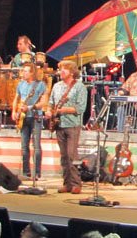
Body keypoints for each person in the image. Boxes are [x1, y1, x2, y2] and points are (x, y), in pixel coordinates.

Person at [49, 61, 87, 193]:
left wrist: (62, 110)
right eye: (60, 69)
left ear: (72, 72)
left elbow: (80, 108)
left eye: (64, 70)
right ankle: (67, 184)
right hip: (59, 124)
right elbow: (51, 102)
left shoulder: (80, 87)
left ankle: (76, 184)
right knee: (64, 156)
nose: (60, 72)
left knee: (72, 155)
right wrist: (49, 111)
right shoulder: (56, 86)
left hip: (73, 124)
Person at [11, 63, 48, 179]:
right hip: (23, 117)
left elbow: (43, 103)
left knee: (36, 145)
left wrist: (30, 107)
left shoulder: (40, 85)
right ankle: (26, 172)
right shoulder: (20, 84)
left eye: (26, 71)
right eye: (23, 71)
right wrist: (14, 111)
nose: (23, 73)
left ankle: (37, 172)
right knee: (24, 146)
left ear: (32, 73)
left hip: (35, 117)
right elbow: (16, 98)